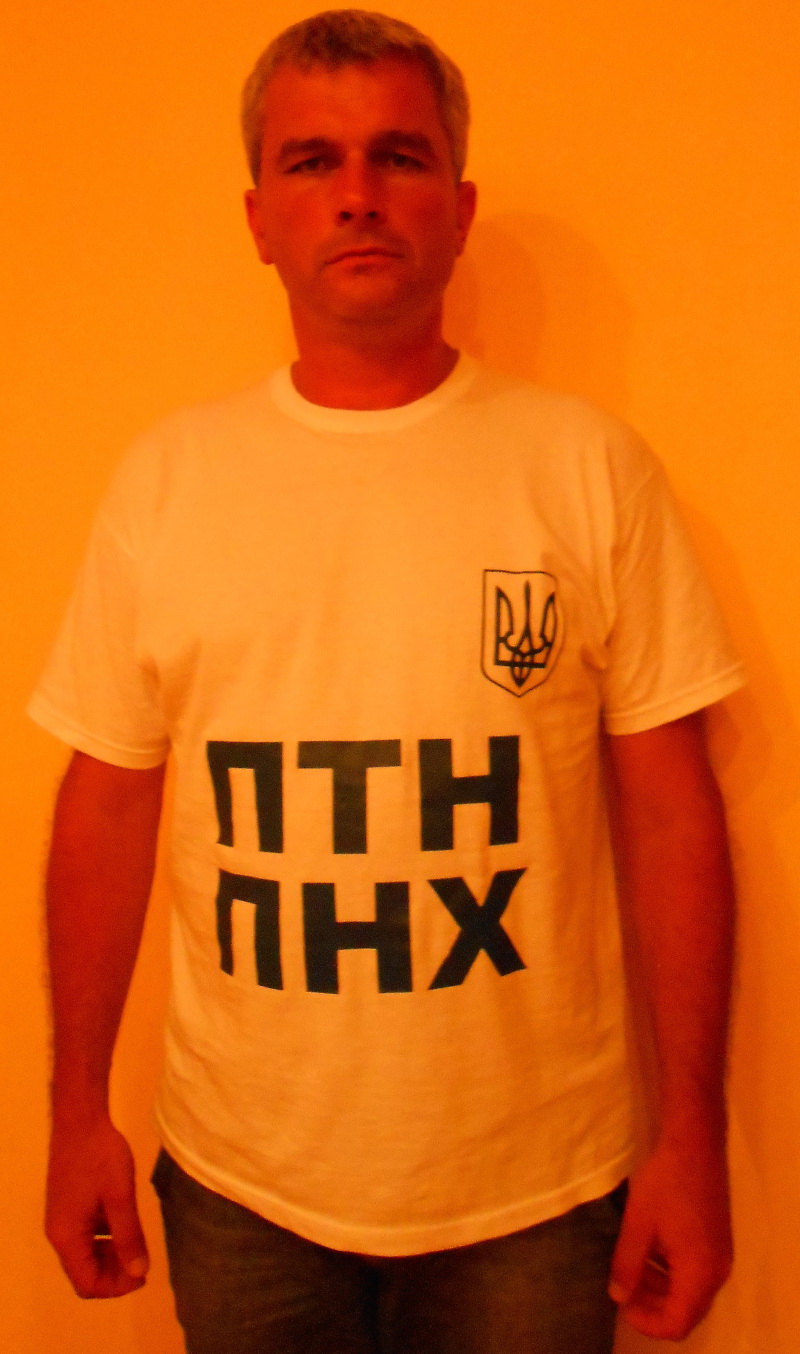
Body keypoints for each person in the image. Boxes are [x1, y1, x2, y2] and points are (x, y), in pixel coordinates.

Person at [32, 10, 744, 1352]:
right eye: (312, 161)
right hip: (242, 1187)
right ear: (258, 218)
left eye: (398, 155)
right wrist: (75, 1114)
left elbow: (670, 814)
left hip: (535, 1193)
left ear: (459, 207)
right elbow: (108, 803)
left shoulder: (587, 467)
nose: (357, 193)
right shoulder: (168, 484)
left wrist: (694, 1138)